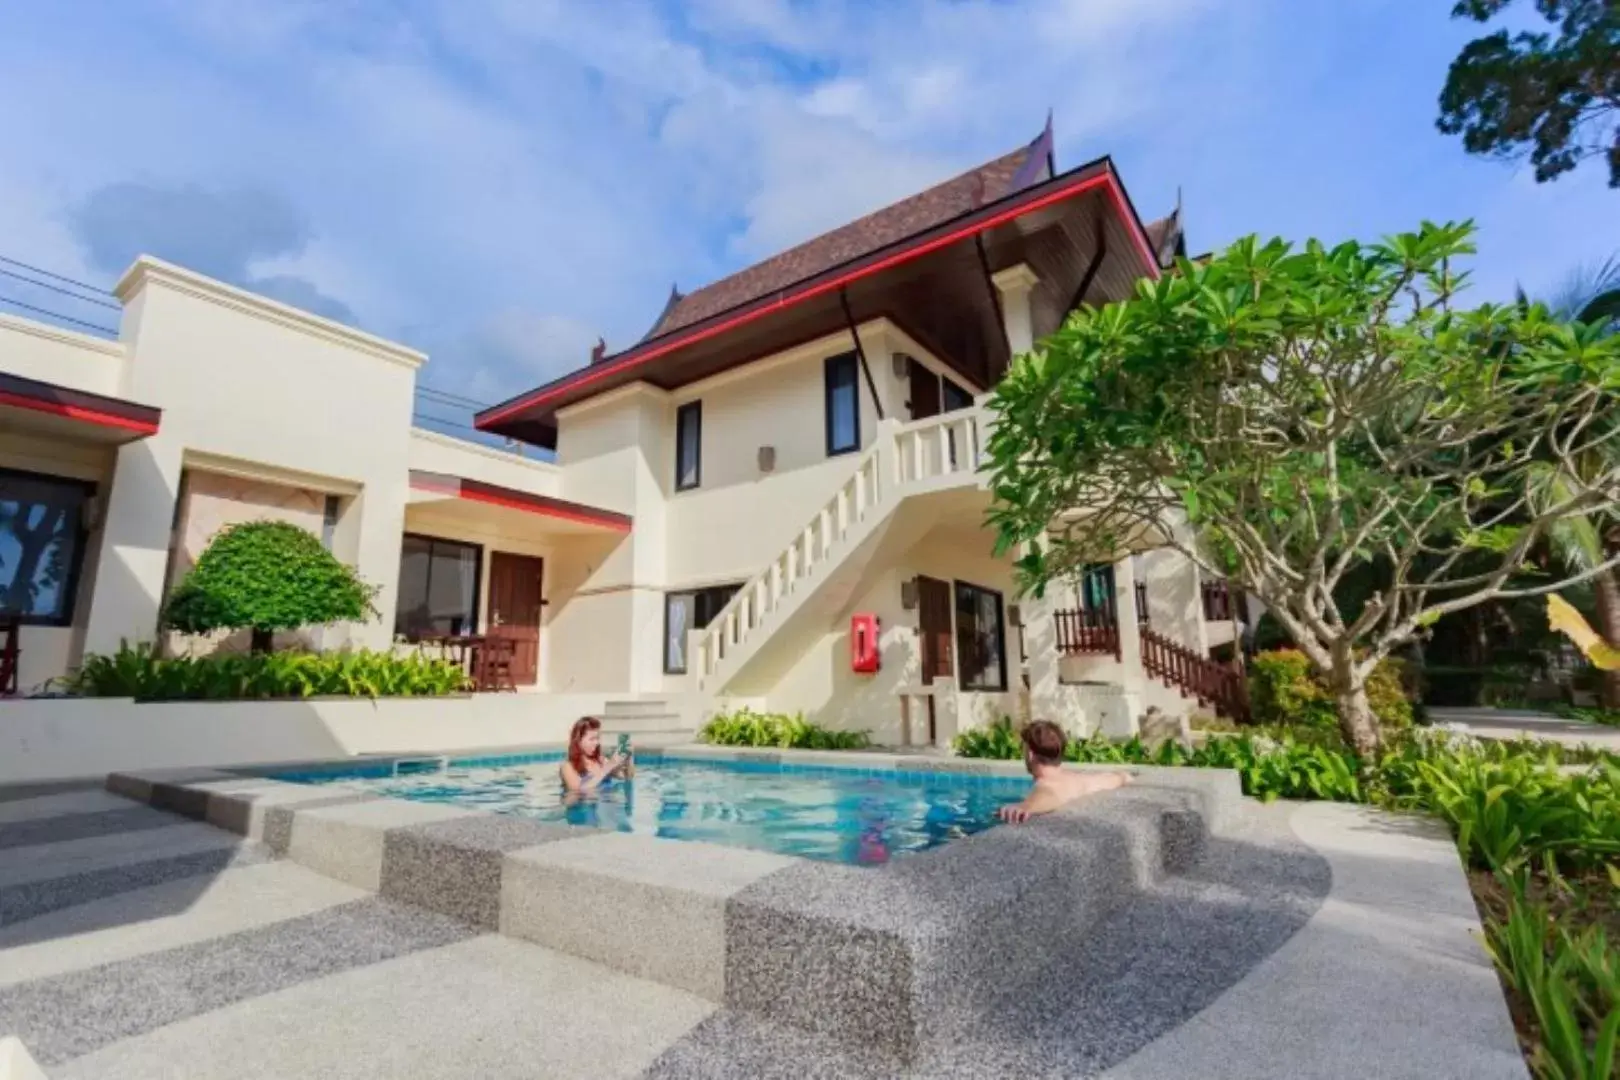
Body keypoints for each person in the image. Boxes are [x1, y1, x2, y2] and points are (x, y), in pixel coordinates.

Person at [997, 720, 1130, 823]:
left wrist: (1026, 806)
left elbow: (1049, 794)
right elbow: (1116, 778)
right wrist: (1122, 777)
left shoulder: (1046, 785)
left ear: (1030, 754)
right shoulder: (1078, 779)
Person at [560, 716, 634, 794]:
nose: (596, 743)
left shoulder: (601, 760)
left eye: (597, 738)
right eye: (592, 739)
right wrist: (609, 765)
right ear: (578, 740)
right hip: (585, 805)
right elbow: (577, 791)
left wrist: (629, 758)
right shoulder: (567, 766)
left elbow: (626, 777)